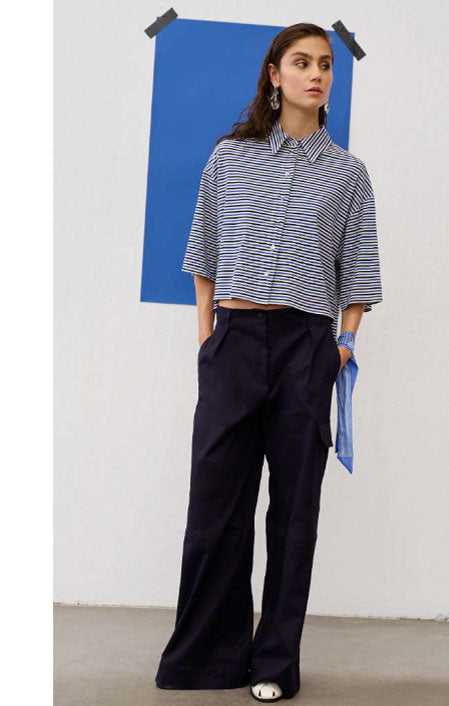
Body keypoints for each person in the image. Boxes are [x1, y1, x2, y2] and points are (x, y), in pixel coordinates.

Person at [155, 22, 383, 703]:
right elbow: (203, 251)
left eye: (326, 65)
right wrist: (207, 336)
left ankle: (274, 664)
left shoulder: (348, 174)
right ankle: (206, 659)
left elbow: (360, 274)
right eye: (302, 62)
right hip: (234, 339)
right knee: (216, 504)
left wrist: (343, 345)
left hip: (306, 347)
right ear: (274, 74)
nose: (316, 74)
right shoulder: (230, 157)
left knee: (293, 513)